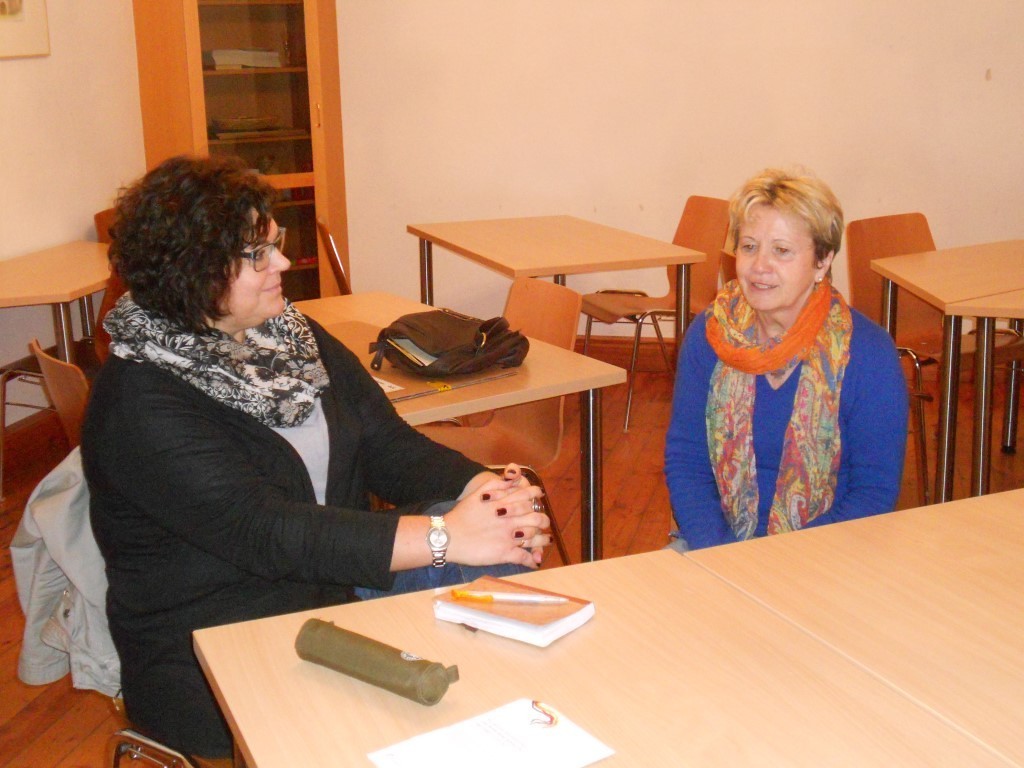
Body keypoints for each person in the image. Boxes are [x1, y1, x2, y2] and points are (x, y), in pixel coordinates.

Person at [81, 155, 550, 759]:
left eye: (276, 243)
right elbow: (269, 532)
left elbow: (386, 445)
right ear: (191, 272)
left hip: (334, 592)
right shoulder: (140, 400)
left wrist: (484, 493)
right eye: (257, 255)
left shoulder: (289, 335)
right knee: (466, 615)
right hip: (219, 648)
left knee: (503, 566)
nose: (282, 263)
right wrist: (447, 536)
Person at [664, 168, 908, 551]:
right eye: (749, 247)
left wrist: (776, 563)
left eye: (781, 250)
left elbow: (872, 494)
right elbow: (686, 460)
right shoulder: (710, 334)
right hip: (717, 548)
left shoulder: (869, 355)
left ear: (822, 261)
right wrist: (722, 552)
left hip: (829, 554)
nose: (759, 266)